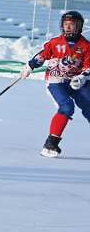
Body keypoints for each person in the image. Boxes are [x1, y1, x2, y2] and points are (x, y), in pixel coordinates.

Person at [19, 11, 90, 158]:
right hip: (56, 81)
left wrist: (82, 78)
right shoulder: (55, 42)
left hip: (76, 82)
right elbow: (41, 55)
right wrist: (29, 66)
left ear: (79, 26)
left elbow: (88, 67)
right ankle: (50, 143)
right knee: (66, 107)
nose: (68, 27)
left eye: (71, 24)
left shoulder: (86, 46)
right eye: (65, 24)